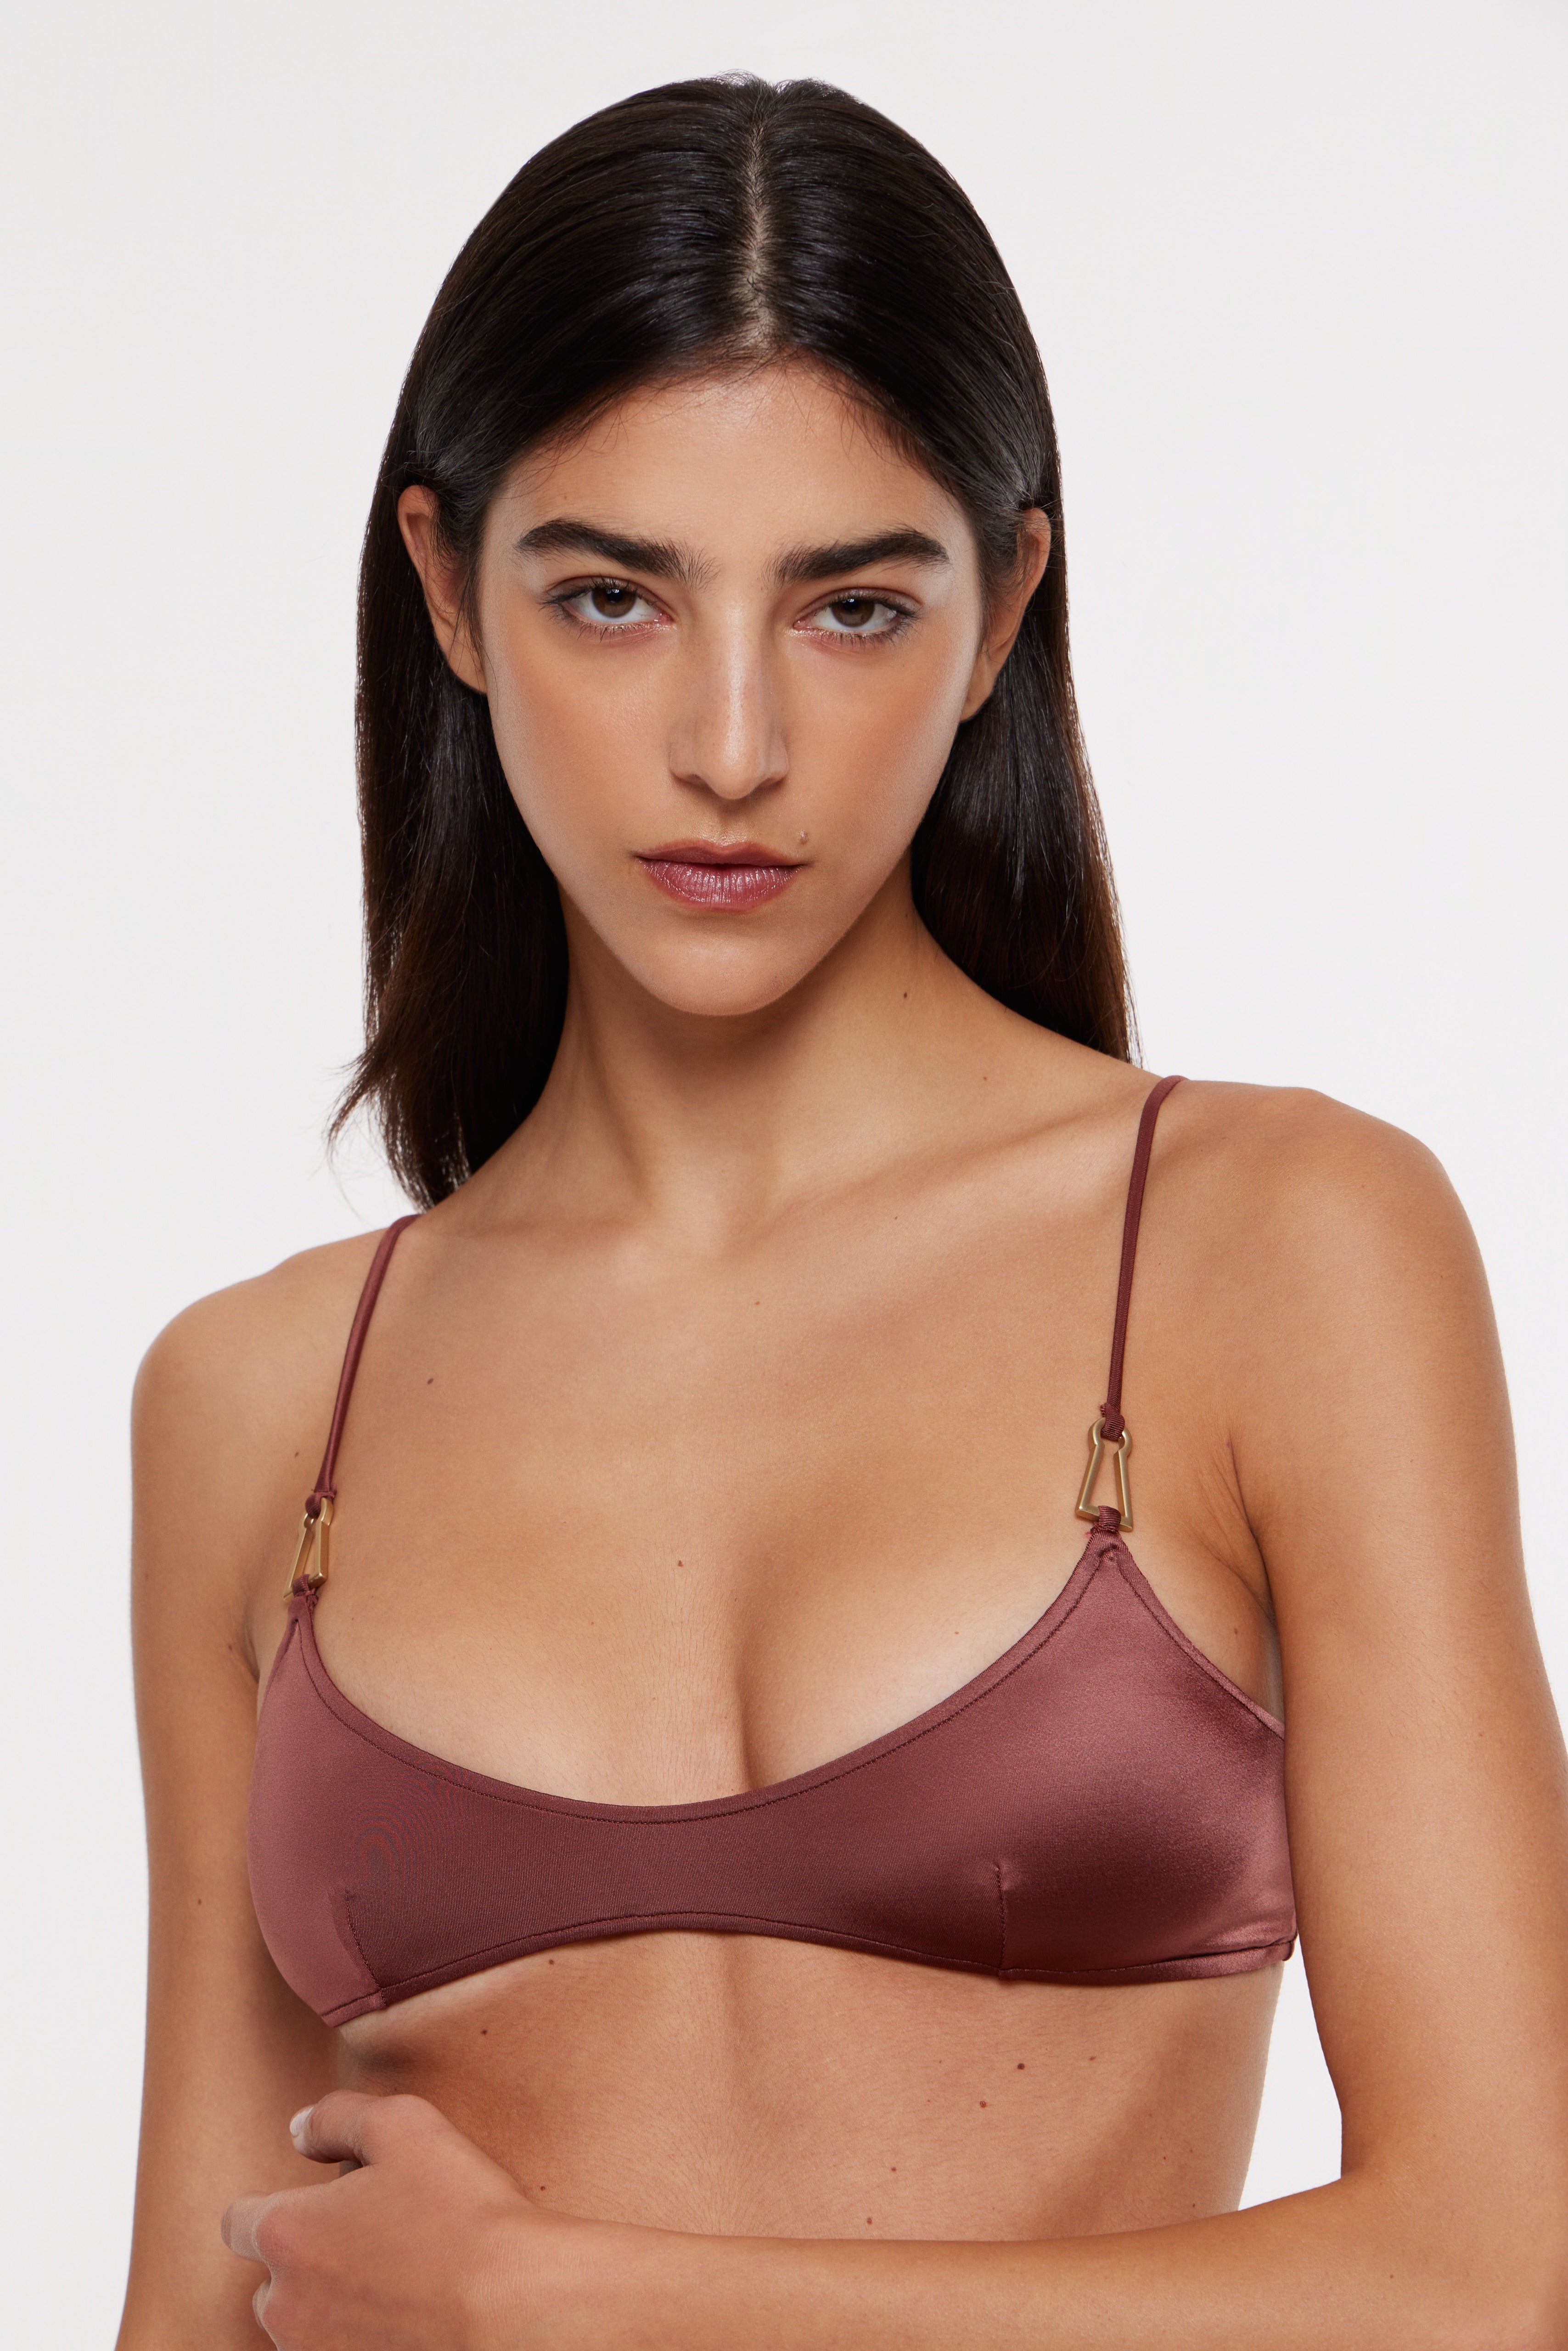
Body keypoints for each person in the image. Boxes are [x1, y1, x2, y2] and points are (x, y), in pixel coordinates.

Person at [117, 72, 1568, 2351]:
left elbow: (1496, 2267)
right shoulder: (259, 1395)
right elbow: (197, 2305)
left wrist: (572, 2295)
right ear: (450, 590)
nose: (731, 743)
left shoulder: (1273, 1248)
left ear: (999, 615)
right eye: (610, 595)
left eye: (851, 606)